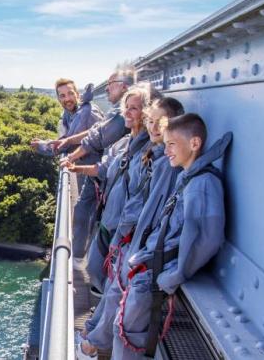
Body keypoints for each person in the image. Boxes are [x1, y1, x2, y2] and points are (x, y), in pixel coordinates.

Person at [111, 115, 231, 360]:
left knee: (128, 334)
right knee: (125, 328)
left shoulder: (201, 184)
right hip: (150, 269)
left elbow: (206, 239)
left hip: (157, 275)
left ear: (194, 143)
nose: (165, 151)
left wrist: (175, 275)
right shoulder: (188, 177)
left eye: (171, 144)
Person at [74, 97, 184, 359]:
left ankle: (91, 346)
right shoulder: (143, 150)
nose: (155, 126)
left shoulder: (164, 163)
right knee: (113, 291)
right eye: (151, 120)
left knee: (119, 301)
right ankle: (91, 336)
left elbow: (152, 210)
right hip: (127, 238)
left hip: (137, 244)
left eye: (162, 122)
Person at [63, 85, 155, 294]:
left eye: (135, 108)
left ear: (146, 112)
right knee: (96, 269)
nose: (127, 113)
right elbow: (102, 169)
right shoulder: (123, 144)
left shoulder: (149, 153)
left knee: (111, 279)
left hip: (124, 229)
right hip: (108, 219)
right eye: (126, 107)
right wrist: (75, 167)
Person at [56, 69, 134, 260]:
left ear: (124, 86)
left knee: (89, 212)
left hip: (106, 175)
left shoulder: (113, 113)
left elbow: (96, 137)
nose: (106, 89)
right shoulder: (112, 111)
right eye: (62, 95)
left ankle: (81, 259)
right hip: (104, 171)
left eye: (111, 84)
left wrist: (71, 155)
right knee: (88, 211)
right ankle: (84, 257)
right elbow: (96, 132)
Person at [31, 78, 103, 193]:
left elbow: (65, 145)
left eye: (70, 93)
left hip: (95, 176)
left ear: (77, 95)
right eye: (62, 96)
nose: (67, 99)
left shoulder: (88, 113)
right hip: (84, 171)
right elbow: (68, 138)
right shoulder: (70, 114)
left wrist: (43, 146)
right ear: (59, 99)